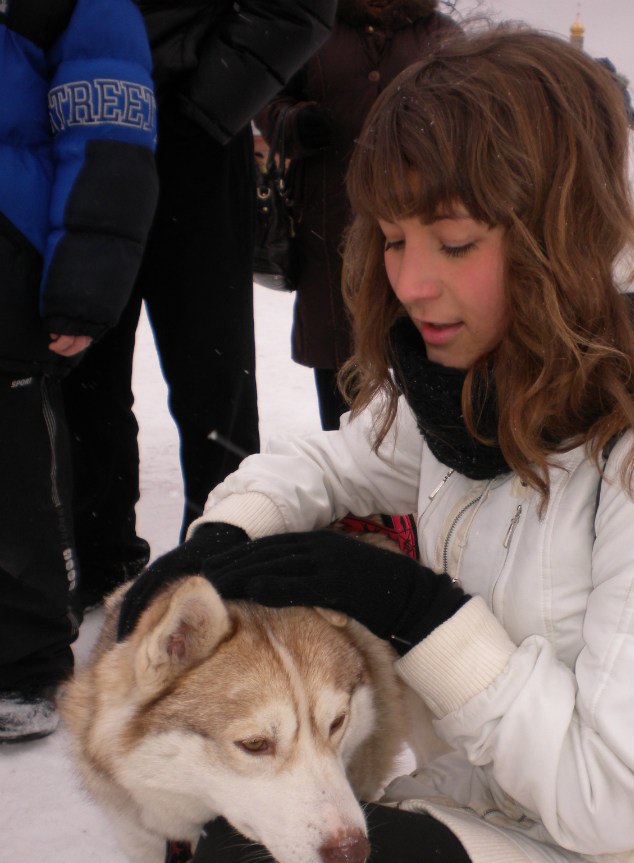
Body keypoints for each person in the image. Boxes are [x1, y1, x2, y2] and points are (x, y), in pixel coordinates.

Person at [116, 27, 634, 863]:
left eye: (454, 242)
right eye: (391, 237)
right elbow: (329, 459)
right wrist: (227, 534)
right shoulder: (476, 395)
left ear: (565, 236)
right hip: (523, 824)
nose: (412, 281)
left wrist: (416, 609)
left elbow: (610, 798)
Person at [60, 0, 338, 611]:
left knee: (214, 382)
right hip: (89, 126)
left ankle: (229, 561)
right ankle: (103, 565)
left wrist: (207, 106)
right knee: (85, 373)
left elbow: (300, 8)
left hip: (196, 133)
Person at [0, 0, 159, 742]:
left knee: (16, 456)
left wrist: (86, 280)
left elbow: (109, 128)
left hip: (12, 240)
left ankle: (25, 658)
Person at [255, 0, 458, 431]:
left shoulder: (439, 32)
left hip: (420, 221)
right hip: (328, 220)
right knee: (338, 355)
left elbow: (471, 111)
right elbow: (269, 97)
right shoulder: (315, 25)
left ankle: (425, 473)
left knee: (424, 348)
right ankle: (349, 478)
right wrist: (292, 121)